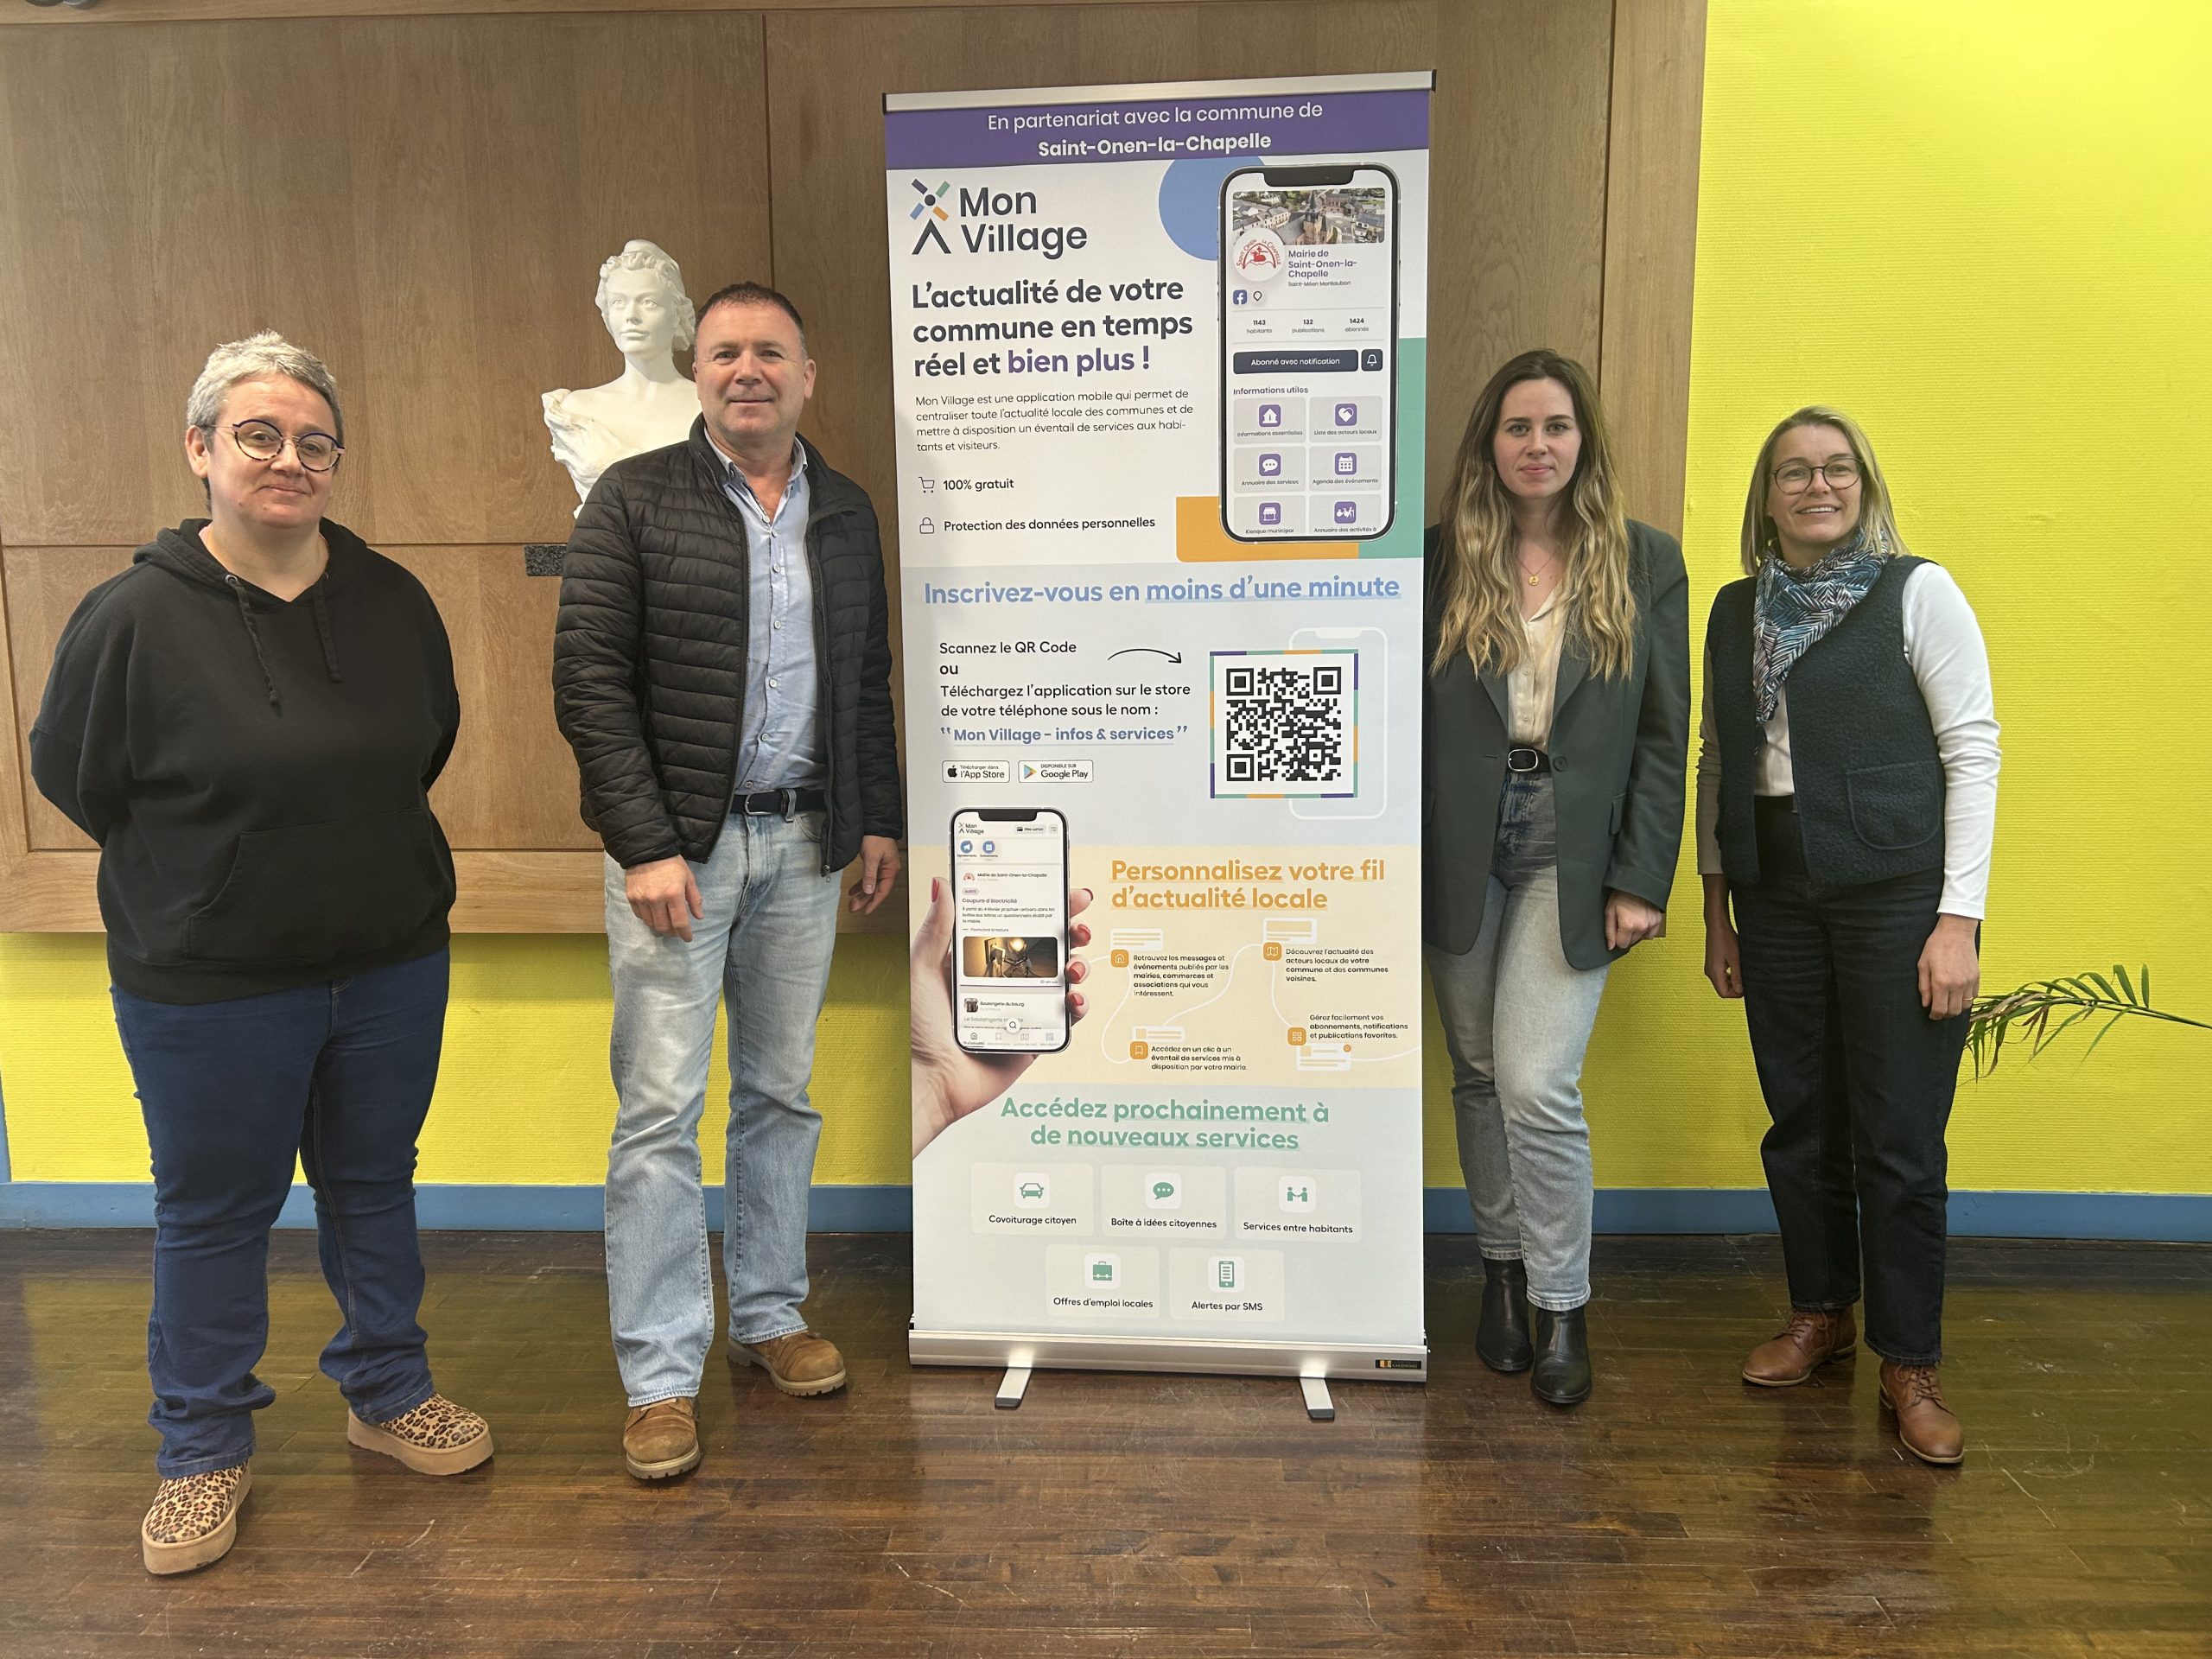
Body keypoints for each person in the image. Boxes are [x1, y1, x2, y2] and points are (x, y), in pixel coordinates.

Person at [29, 332, 488, 1577]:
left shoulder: (393, 601)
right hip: (210, 982)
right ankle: (200, 1450)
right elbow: (74, 775)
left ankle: (387, 1393)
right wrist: (221, 869)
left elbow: (425, 745)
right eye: (259, 434)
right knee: (214, 1214)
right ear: (201, 449)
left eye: (313, 441)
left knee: (373, 1185)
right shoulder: (131, 616)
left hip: (388, 961)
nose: (290, 458)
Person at [552, 282, 904, 1484]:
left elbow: (863, 678)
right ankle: (660, 1375)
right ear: (696, 372)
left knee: (779, 1094)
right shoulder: (633, 499)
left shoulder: (843, 509)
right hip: (680, 858)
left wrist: (875, 818)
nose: (745, 370)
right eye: (723, 353)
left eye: (768, 352)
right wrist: (644, 844)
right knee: (659, 1112)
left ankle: (768, 1314)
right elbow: (589, 680)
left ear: (807, 375)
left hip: (803, 843)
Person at [1698, 407, 1998, 1465]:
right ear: (1766, 496)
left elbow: (1972, 752)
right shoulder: (1734, 610)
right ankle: (1820, 1313)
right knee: (1801, 1120)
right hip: (1773, 890)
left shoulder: (1917, 591)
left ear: (1863, 485)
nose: (1816, 486)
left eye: (1836, 469)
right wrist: (1717, 906)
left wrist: (1956, 920)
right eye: (1793, 472)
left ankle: (1909, 1363)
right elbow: (1718, 759)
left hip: (1895, 894)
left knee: (1899, 1137)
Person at [1422, 348, 1688, 1407]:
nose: (1538, 445)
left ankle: (1561, 1303)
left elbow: (1664, 737)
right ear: (1489, 444)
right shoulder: (1440, 560)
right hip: (1458, 846)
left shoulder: (1643, 560)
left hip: (1570, 850)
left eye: (1557, 426)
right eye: (1518, 427)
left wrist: (1642, 878)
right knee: (1479, 1072)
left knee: (1536, 1082)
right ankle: (1499, 1275)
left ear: (1584, 441)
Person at [542, 238, 702, 509]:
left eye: (648, 302)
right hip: (602, 536)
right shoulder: (575, 411)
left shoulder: (707, 406)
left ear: (676, 314)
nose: (631, 316)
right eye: (618, 302)